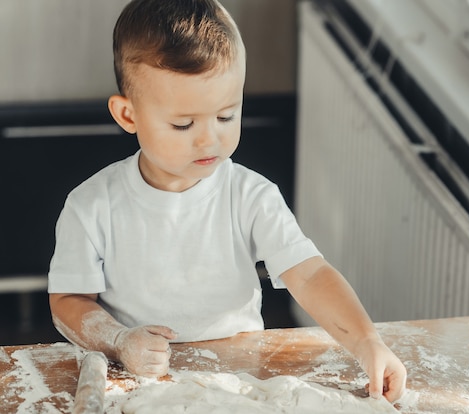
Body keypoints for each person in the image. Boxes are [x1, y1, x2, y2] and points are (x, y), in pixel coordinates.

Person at [48, 0, 406, 402]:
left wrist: (367, 342)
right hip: (135, 384)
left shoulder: (251, 197)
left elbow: (308, 275)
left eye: (226, 116)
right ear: (128, 115)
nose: (209, 139)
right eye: (183, 124)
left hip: (239, 379)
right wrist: (118, 340)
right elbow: (69, 299)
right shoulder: (91, 205)